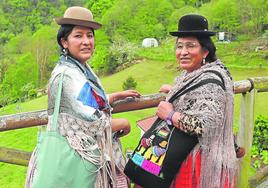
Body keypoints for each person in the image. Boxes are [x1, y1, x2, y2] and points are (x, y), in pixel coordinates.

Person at [25, 6, 140, 188]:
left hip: (81, 159)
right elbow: (94, 122)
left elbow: (81, 102)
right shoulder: (68, 75)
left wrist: (112, 97)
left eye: (90, 35)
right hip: (78, 161)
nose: (86, 41)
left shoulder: (76, 67)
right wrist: (124, 123)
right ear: (64, 41)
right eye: (78, 36)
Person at [124, 14, 237, 188]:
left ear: (205, 51)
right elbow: (198, 99)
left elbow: (203, 127)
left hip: (198, 166)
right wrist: (176, 93)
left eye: (191, 46)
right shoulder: (191, 76)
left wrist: (170, 114)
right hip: (187, 159)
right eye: (179, 46)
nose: (183, 52)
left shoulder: (212, 81)